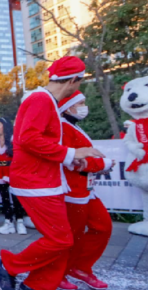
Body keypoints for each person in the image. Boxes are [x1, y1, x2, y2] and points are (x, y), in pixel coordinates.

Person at [0, 56, 105, 290]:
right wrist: (72, 153)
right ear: (73, 80)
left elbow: (36, 142)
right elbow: (29, 139)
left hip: (43, 179)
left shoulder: (44, 99)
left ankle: (35, 284)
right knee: (61, 239)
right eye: (79, 82)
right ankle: (8, 265)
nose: (78, 87)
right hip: (36, 181)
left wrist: (73, 160)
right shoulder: (41, 99)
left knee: (61, 239)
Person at [58, 91, 113, 290]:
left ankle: (79, 266)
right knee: (73, 235)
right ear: (68, 107)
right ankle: (61, 271)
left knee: (103, 226)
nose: (84, 106)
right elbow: (72, 162)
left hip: (86, 189)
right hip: (74, 191)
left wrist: (99, 163)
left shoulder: (73, 126)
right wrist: (103, 163)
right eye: (80, 103)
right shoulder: (63, 128)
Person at [0, 118, 26, 235]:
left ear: (4, 126)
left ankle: (20, 221)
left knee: (16, 197)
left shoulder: (14, 138)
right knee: (4, 198)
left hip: (12, 170)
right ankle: (8, 221)